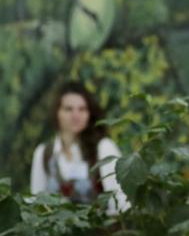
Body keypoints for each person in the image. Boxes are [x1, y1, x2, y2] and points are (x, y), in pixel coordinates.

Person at [30, 80, 129, 213]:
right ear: (57, 113)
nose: (76, 115)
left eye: (82, 109)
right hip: (57, 232)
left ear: (89, 114)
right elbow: (37, 202)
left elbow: (120, 202)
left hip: (102, 231)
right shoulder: (44, 153)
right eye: (68, 109)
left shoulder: (103, 148)